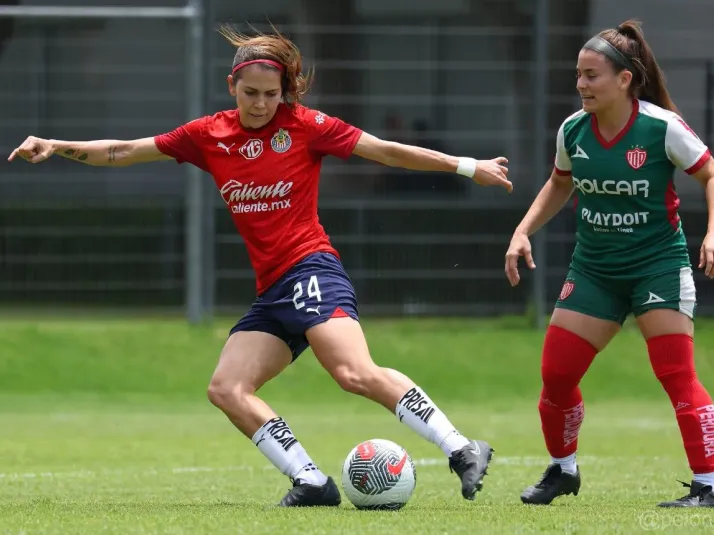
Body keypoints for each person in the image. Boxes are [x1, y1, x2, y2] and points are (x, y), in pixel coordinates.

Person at [9, 26, 513, 507]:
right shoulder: (208, 134)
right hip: (273, 290)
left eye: (271, 95)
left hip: (312, 270)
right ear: (232, 85)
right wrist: (56, 146)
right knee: (226, 389)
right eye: (251, 93)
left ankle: (461, 448)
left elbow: (385, 151)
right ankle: (311, 481)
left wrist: (467, 167)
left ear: (284, 92)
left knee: (353, 373)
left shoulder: (306, 125)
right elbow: (123, 151)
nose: (260, 104)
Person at [505, 19, 714, 508]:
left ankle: (709, 484)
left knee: (675, 374)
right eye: (578, 75)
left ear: (625, 79)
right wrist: (521, 231)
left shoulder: (660, 127)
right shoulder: (573, 130)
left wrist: (713, 233)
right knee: (556, 374)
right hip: (594, 271)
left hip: (657, 266)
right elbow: (560, 183)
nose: (581, 84)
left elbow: (710, 173)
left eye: (592, 75)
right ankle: (563, 471)